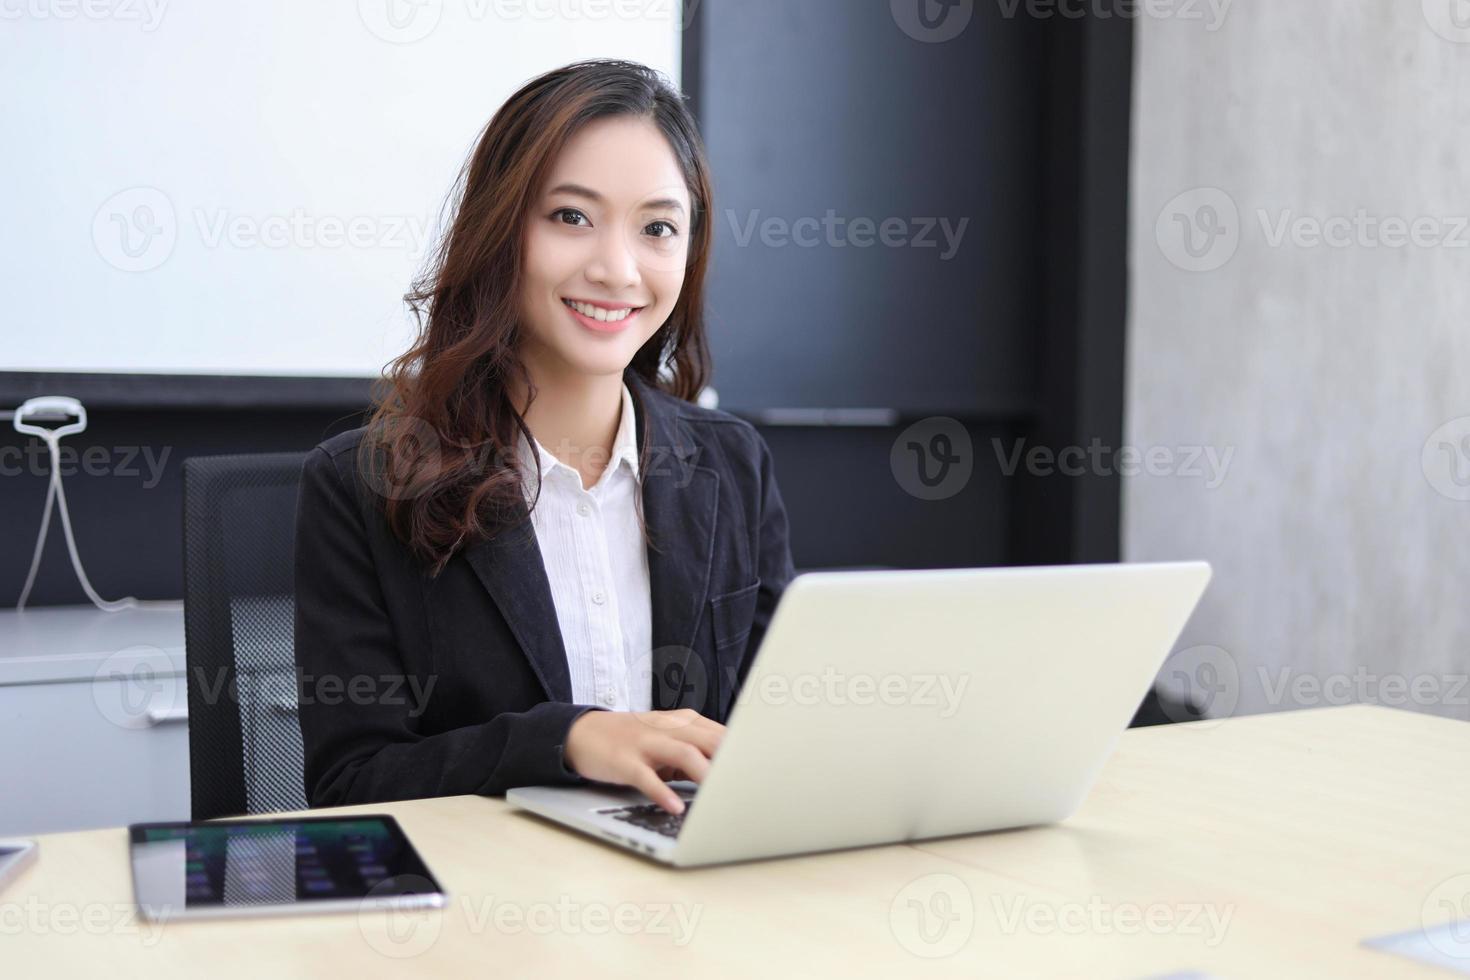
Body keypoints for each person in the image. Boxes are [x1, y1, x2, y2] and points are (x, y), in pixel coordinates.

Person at [293, 60, 795, 816]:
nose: (617, 268)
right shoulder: (364, 483)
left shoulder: (731, 465)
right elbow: (352, 784)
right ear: (501, 231)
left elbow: (775, 730)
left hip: (691, 901)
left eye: (658, 227)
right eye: (571, 216)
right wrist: (565, 741)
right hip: (483, 911)